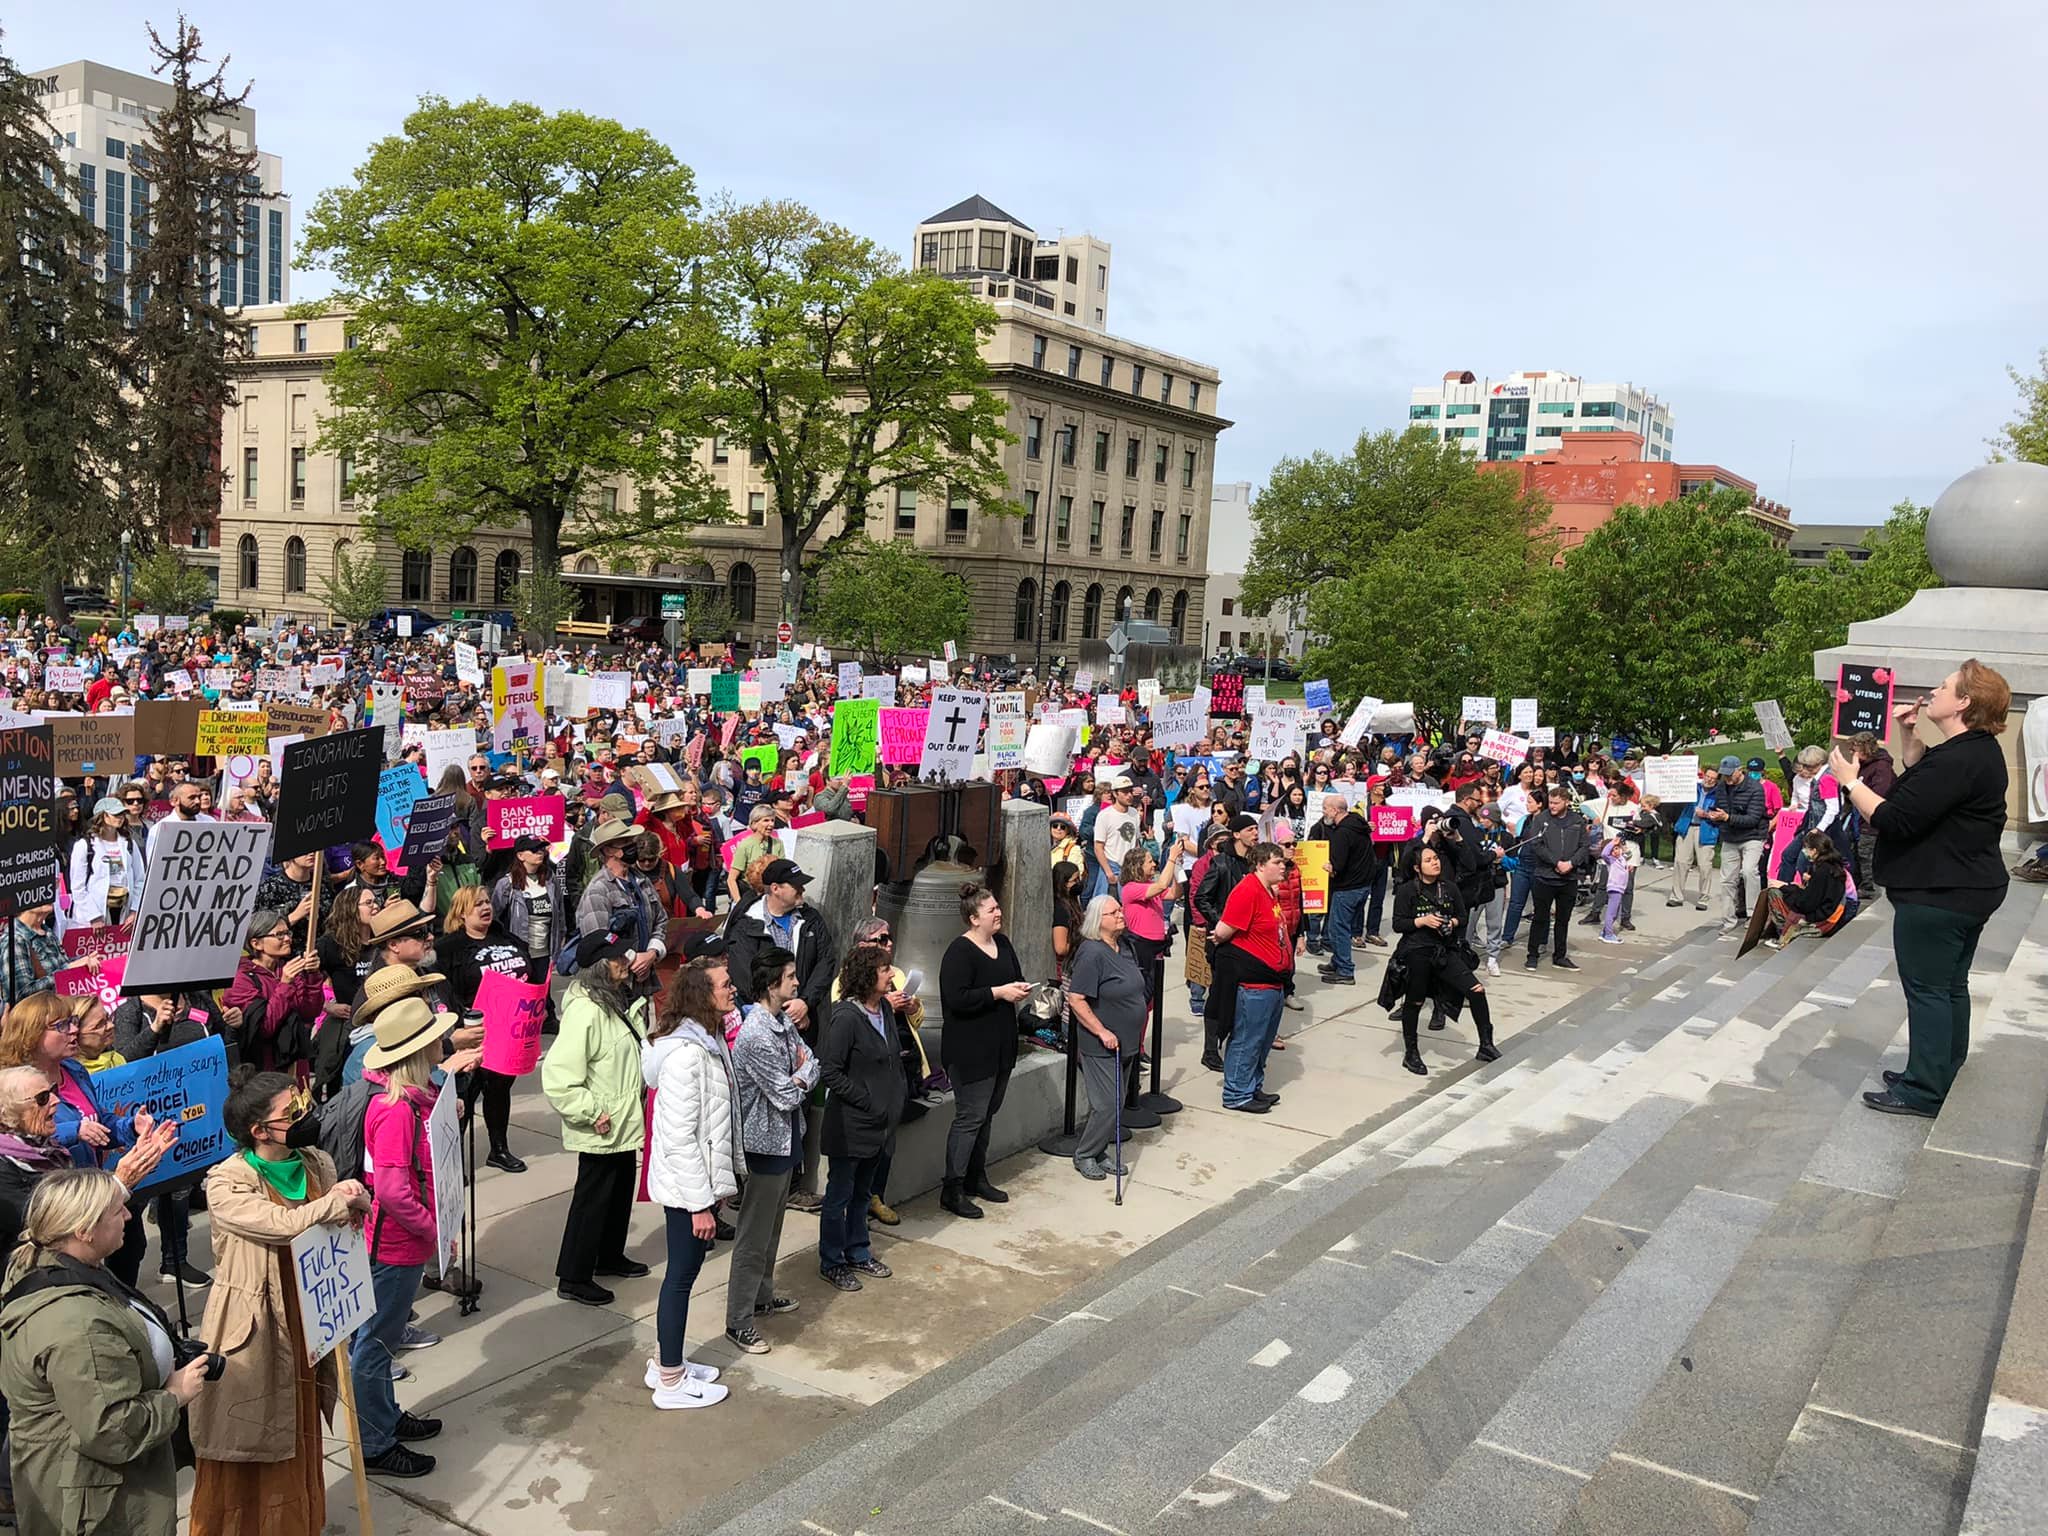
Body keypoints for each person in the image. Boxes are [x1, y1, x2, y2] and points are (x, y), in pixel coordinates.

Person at [187, 1070, 374, 1535]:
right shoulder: (227, 1182)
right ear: (259, 1131)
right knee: (253, 1436)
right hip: (257, 1326)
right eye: (291, 1112)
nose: (306, 1114)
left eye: (304, 1101)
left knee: (299, 1432)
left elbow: (335, 1226)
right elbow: (276, 1223)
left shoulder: (317, 1162)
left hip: (310, 1316)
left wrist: (354, 1199)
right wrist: (335, 1202)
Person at [1830, 661, 2012, 1118]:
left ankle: (1924, 1089)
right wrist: (1909, 735)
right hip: (1968, 887)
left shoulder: (1959, 758)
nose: (1933, 691)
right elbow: (1925, 777)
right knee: (1950, 984)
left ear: (1964, 703)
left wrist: (1850, 782)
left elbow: (1894, 817)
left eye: (1944, 686)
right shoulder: (1974, 750)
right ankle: (1943, 1065)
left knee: (1927, 988)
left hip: (1940, 893)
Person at [0, 1168, 212, 1536]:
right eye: (118, 1210)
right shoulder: (77, 1326)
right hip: (99, 1505)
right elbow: (111, 1429)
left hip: (96, 1486)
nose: (130, 1216)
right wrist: (175, 1394)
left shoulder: (66, 1265)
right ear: (84, 1230)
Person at [353, 999, 475, 1478]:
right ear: (421, 1048)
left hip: (401, 1243)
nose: (444, 1041)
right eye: (436, 1037)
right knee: (374, 1345)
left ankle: (384, 1418)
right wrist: (436, 1229)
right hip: (395, 1247)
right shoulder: (397, 1111)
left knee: (381, 1341)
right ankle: (373, 1443)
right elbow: (392, 1190)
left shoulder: (410, 1099)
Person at [640, 951, 738, 1409]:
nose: (732, 988)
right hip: (686, 1189)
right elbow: (677, 1138)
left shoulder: (707, 1043)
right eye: (724, 984)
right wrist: (700, 1204)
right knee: (679, 1277)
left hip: (697, 1184)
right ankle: (672, 1381)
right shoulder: (685, 1057)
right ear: (702, 995)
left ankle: (665, 1358)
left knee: (686, 1273)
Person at [543, 931, 654, 1305]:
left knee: (620, 1191)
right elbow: (558, 1077)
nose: (625, 961)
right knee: (592, 1198)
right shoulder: (586, 1012)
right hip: (602, 1121)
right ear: (598, 969)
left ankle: (608, 1256)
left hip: (622, 1118)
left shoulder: (615, 1002)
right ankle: (573, 1276)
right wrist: (591, 1112)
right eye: (615, 958)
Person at [721, 947, 816, 1350]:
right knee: (753, 1237)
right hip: (764, 1149)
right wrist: (802, 1077)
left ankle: (761, 1296)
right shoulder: (757, 1033)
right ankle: (738, 1318)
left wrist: (802, 1073)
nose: (797, 983)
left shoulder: (782, 1022)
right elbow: (783, 1094)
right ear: (771, 983)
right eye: (791, 976)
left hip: (785, 1141)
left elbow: (812, 1060)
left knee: (773, 1229)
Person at [816, 944, 907, 1290]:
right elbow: (831, 1071)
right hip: (850, 1126)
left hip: (879, 1125)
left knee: (862, 1194)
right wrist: (867, 1102)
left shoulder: (884, 1007)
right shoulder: (845, 1018)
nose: (890, 973)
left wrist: (893, 1101)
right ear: (867, 975)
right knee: (839, 1195)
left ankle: (858, 1250)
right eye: (884, 969)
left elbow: (892, 1058)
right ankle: (832, 1260)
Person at [937, 883, 1029, 1219]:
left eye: (997, 908)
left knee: (986, 1116)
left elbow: (1013, 977)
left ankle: (977, 1177)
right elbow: (957, 999)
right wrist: (998, 992)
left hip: (1001, 1045)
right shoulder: (959, 953)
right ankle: (953, 1187)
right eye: (991, 910)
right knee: (970, 1117)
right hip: (970, 1050)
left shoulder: (1002, 943)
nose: (998, 913)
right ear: (974, 918)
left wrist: (1017, 988)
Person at [435, 887, 529, 1173]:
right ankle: (452, 1160)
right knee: (464, 1094)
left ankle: (499, 1149)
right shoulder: (449, 948)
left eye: (487, 902)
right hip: (472, 1031)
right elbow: (442, 990)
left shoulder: (505, 937)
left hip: (508, 1029)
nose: (485, 908)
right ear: (462, 912)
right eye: (477, 904)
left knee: (499, 1090)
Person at [1387, 842, 1500, 1076]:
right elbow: (1399, 924)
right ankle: (1411, 1053)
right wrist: (1422, 921)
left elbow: (1462, 916)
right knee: (1415, 1001)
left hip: (1445, 950)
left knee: (1476, 990)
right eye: (1428, 860)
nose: (1435, 862)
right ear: (1417, 868)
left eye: (1436, 858)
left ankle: (1486, 1044)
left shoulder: (1448, 887)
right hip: (1417, 951)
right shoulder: (1408, 890)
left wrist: (1452, 923)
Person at [1066, 896, 1147, 1180]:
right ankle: (1085, 1153)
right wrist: (1101, 1031)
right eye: (1114, 912)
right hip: (1102, 1045)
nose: (1121, 915)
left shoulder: (1124, 946)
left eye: (1120, 909)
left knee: (1117, 1101)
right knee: (1107, 1104)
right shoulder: (1091, 953)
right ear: (1099, 920)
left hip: (1127, 1041)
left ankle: (1099, 1150)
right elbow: (1076, 999)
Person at [1213, 841, 1293, 1111]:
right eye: (1276, 862)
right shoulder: (1247, 890)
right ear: (1260, 865)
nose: (1283, 866)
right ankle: (1236, 1094)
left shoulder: (1269, 892)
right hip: (1254, 984)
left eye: (1283, 862)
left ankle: (1253, 1086)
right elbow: (1224, 931)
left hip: (1273, 981)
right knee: (1248, 1039)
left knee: (1263, 1040)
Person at [225, 908, 327, 1075]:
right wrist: (285, 984)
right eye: (279, 935)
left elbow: (310, 1012)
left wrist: (312, 975)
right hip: (265, 1069)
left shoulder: (285, 969)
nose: (287, 939)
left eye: (288, 933)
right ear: (256, 943)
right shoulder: (240, 979)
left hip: (295, 1063)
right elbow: (265, 1028)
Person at [1195, 814, 1259, 1068]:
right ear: (1237, 834)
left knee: (1243, 995)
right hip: (1224, 942)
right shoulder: (1221, 863)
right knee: (1219, 996)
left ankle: (1236, 1043)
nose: (1256, 833)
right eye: (1251, 830)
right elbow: (1202, 897)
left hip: (1249, 941)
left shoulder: (1256, 863)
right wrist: (1223, 922)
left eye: (1256, 829)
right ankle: (1211, 1049)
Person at [574, 819, 670, 988]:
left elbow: (661, 919)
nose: (633, 846)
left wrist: (652, 952)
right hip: (616, 983)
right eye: (625, 843)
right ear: (609, 850)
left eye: (631, 841)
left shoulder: (642, 880)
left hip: (644, 979)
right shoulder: (598, 890)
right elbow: (598, 940)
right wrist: (635, 959)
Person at [1519, 784, 1593, 971]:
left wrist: (1571, 863)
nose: (1551, 806)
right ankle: (1532, 954)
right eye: (1550, 802)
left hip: (1568, 878)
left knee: (1563, 920)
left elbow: (1584, 846)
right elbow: (1536, 844)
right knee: (1540, 917)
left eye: (1556, 803)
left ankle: (1560, 956)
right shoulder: (1541, 820)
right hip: (1545, 876)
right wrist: (1556, 862)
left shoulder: (1577, 821)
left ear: (1566, 802)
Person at [1707, 755, 1768, 935]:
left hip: (1753, 835)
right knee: (1727, 879)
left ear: (1739, 770)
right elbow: (1720, 808)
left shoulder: (1755, 789)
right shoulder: (1721, 788)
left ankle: (1752, 915)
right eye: (1723, 775)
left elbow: (1753, 818)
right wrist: (1715, 817)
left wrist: (1727, 817)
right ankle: (1728, 919)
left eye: (1729, 775)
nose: (1726, 779)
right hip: (1730, 836)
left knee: (1749, 872)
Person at [492, 836, 565, 985]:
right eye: (533, 850)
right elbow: (494, 919)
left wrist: (557, 949)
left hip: (545, 956)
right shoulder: (506, 885)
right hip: (520, 956)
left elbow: (560, 916)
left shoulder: (551, 881)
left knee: (544, 1000)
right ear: (520, 855)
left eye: (541, 849)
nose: (539, 852)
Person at [1764, 831, 1852, 949]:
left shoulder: (1822, 870)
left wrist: (1786, 887)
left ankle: (1783, 934)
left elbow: (1806, 903)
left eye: (1806, 848)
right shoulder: (1834, 866)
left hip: (1821, 919)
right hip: (1831, 913)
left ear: (1814, 850)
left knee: (1774, 893)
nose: (1804, 851)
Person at [66, 798, 145, 928]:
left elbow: (140, 879)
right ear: (102, 816)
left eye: (122, 814)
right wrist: (93, 916)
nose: (120, 818)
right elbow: (77, 886)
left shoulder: (129, 843)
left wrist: (134, 911)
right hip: (94, 916)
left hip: (124, 913)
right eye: (116, 814)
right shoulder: (85, 845)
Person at [1118, 840, 1182, 989]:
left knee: (1154, 991)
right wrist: (1171, 858)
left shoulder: (1149, 886)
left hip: (1156, 947)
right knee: (1143, 991)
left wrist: (1176, 868)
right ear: (1137, 866)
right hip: (1140, 946)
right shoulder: (1131, 888)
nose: (1154, 864)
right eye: (1149, 861)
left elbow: (1174, 893)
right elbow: (1161, 885)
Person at [1669, 763, 1721, 911]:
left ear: (1716, 780)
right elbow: (1673, 781)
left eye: (1713, 778)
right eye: (1707, 776)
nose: (1709, 780)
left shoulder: (1719, 794)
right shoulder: (1691, 788)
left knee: (1705, 866)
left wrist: (1706, 814)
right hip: (1686, 827)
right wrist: (1668, 761)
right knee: (1680, 863)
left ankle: (1704, 898)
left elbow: (1721, 814)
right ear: (1703, 775)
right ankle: (1676, 896)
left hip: (1706, 830)